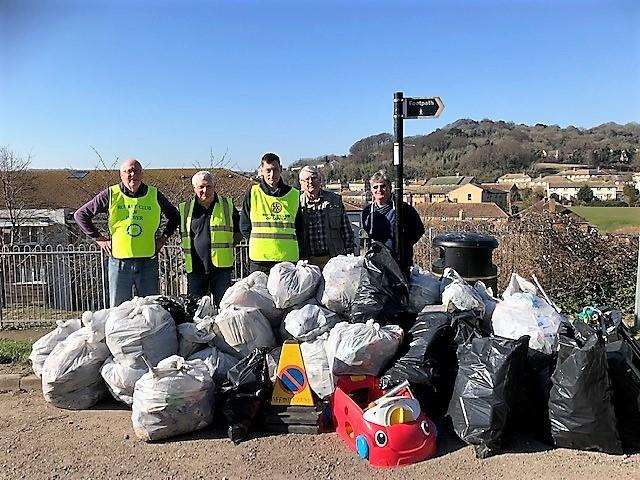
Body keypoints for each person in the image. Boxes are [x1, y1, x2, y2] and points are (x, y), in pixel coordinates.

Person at [74, 158, 180, 307]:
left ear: (142, 174)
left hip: (147, 262)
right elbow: (80, 215)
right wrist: (99, 239)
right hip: (119, 263)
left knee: (151, 310)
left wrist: (163, 238)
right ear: (121, 175)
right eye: (128, 171)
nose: (132, 174)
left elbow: (175, 217)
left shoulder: (154, 194)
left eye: (136, 171)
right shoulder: (111, 194)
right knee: (118, 310)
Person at [179, 171, 241, 305]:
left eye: (209, 186)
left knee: (224, 308)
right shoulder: (185, 208)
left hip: (221, 270)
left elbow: (239, 230)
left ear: (214, 186)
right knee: (195, 310)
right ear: (194, 188)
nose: (205, 190)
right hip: (196, 269)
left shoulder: (227, 206)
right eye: (201, 187)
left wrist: (228, 245)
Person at [240, 153, 304, 274]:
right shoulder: (253, 193)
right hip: (260, 260)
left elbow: (300, 228)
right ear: (261, 171)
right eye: (268, 170)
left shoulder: (294, 194)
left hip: (287, 259)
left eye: (275, 170)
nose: (272, 174)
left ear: (280, 169)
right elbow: (244, 226)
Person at [361, 170, 425, 273]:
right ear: (371, 190)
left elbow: (418, 230)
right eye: (375, 187)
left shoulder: (403, 209)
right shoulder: (367, 212)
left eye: (383, 186)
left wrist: (403, 247)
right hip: (376, 264)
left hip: (400, 264)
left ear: (390, 188)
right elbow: (367, 234)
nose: (379, 190)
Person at [298, 166, 355, 268]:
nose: (310, 182)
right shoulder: (296, 203)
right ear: (301, 183)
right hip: (307, 261)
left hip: (334, 259)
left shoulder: (335, 200)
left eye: (314, 178)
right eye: (306, 179)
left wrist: (349, 253)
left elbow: (346, 229)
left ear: (320, 180)